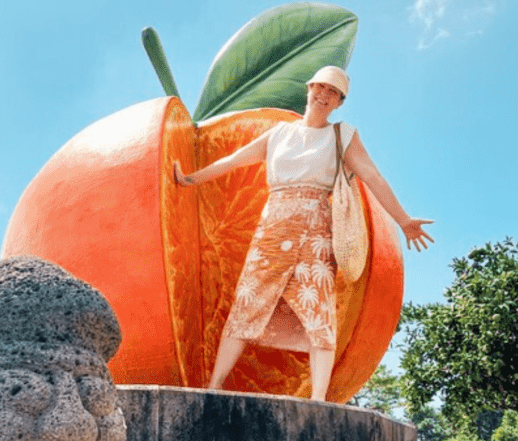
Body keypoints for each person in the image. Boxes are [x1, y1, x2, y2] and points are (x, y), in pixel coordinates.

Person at [174, 66, 434, 401]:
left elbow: (373, 176)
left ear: (339, 103)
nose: (324, 96)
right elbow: (234, 159)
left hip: (316, 232)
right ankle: (213, 388)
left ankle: (319, 401)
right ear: (308, 88)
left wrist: (403, 220)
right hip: (273, 228)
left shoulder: (342, 135)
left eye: (334, 93)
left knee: (319, 311)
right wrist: (191, 179)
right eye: (321, 88)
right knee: (248, 302)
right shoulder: (279, 134)